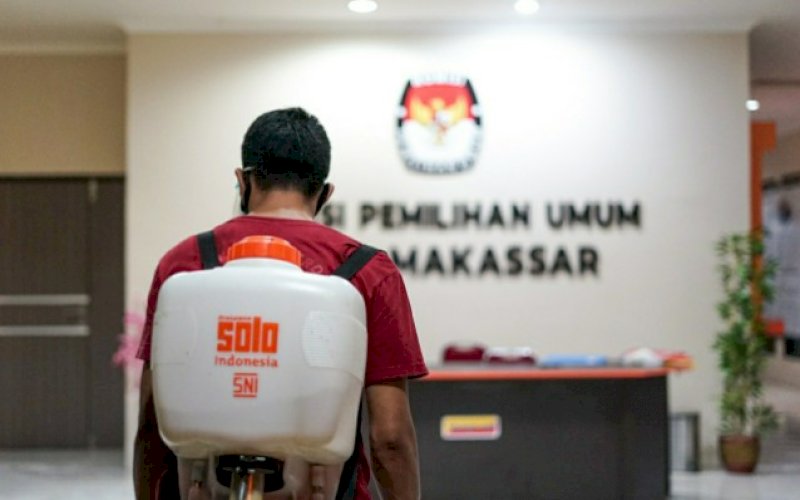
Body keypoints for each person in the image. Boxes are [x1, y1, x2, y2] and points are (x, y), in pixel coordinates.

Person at [134, 107, 428, 499]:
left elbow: (151, 424)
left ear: (243, 181)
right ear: (325, 193)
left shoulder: (183, 264)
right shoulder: (369, 273)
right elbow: (389, 439)